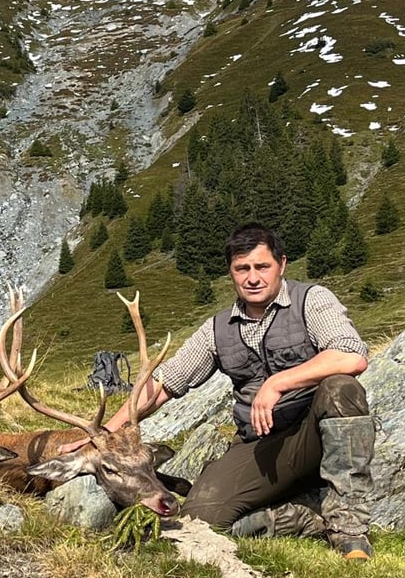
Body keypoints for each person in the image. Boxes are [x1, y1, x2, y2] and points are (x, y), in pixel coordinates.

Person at [96, 223, 375, 560]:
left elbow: (351, 355)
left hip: (315, 434)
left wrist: (278, 383)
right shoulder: (218, 328)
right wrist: (106, 432)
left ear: (282, 265)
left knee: (341, 389)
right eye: (242, 269)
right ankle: (305, 514)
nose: (252, 278)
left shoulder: (311, 301)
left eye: (262, 267)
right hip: (261, 445)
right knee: (199, 519)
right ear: (231, 272)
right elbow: (164, 383)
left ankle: (350, 531)